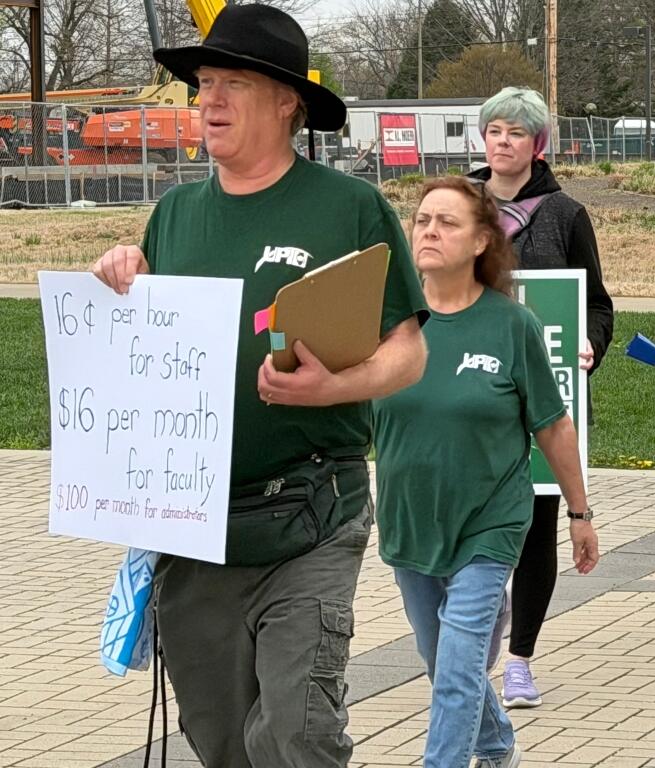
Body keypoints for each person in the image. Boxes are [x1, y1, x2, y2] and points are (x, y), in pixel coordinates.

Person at [90, 5, 429, 766]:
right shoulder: (174, 214)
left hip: (311, 513)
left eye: (232, 84)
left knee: (296, 730)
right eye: (203, 84)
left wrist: (335, 387)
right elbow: (147, 351)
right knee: (219, 741)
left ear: (288, 103)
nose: (208, 101)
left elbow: (406, 352)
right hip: (194, 526)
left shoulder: (349, 209)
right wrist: (124, 279)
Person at [373, 177, 600, 768]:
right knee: (441, 658)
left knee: (455, 670)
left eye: (447, 222)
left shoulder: (511, 325)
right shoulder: (386, 323)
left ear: (480, 241)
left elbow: (552, 426)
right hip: (411, 520)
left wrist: (579, 513)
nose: (429, 230)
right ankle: (497, 745)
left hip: (491, 521)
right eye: (422, 219)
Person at [467, 87, 613, 709]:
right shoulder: (458, 205)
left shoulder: (565, 213)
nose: (503, 142)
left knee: (536, 529)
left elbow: (599, 304)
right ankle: (476, 630)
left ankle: (520, 659)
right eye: (494, 131)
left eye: (516, 133)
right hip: (467, 394)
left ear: (537, 145)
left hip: (542, 396)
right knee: (469, 526)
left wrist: (588, 341)